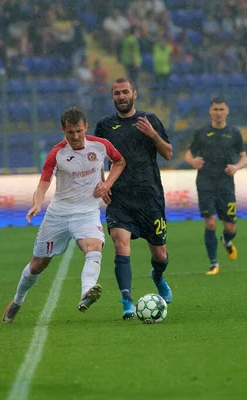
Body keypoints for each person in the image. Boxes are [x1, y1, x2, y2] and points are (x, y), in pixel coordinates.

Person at [2, 107, 126, 323]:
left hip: (87, 213)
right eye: (70, 132)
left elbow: (120, 161)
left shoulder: (100, 145)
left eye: (79, 131)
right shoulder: (56, 154)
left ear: (86, 127)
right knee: (38, 265)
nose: (76, 137)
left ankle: (87, 292)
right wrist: (37, 204)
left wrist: (106, 184)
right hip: (58, 215)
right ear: (63, 130)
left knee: (94, 247)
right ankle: (17, 300)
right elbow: (42, 186)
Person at [94, 77, 174, 320]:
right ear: (112, 97)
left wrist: (153, 135)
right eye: (116, 93)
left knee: (160, 255)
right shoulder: (104, 126)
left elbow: (168, 153)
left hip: (150, 196)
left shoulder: (149, 120)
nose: (121, 96)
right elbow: (96, 158)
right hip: (120, 198)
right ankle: (127, 301)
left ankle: (158, 276)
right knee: (120, 243)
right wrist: (103, 182)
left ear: (134, 94)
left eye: (125, 92)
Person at [184, 97, 247, 275]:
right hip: (205, 182)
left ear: (227, 111)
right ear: (210, 111)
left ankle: (226, 241)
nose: (218, 113)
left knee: (230, 228)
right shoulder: (202, 132)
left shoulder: (234, 133)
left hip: (226, 184)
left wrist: (236, 167)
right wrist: (192, 160)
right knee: (210, 222)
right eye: (215, 109)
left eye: (221, 109)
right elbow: (188, 153)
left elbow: (244, 157)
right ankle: (214, 264)